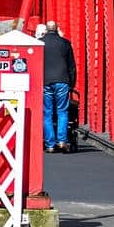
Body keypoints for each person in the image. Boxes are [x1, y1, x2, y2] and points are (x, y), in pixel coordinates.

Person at [42, 22, 78, 152]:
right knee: (62, 111)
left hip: (45, 81)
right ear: (57, 29)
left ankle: (50, 145)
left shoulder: (40, 43)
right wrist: (71, 84)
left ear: (46, 30)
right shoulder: (65, 43)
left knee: (47, 113)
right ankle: (62, 141)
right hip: (62, 80)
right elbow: (71, 67)